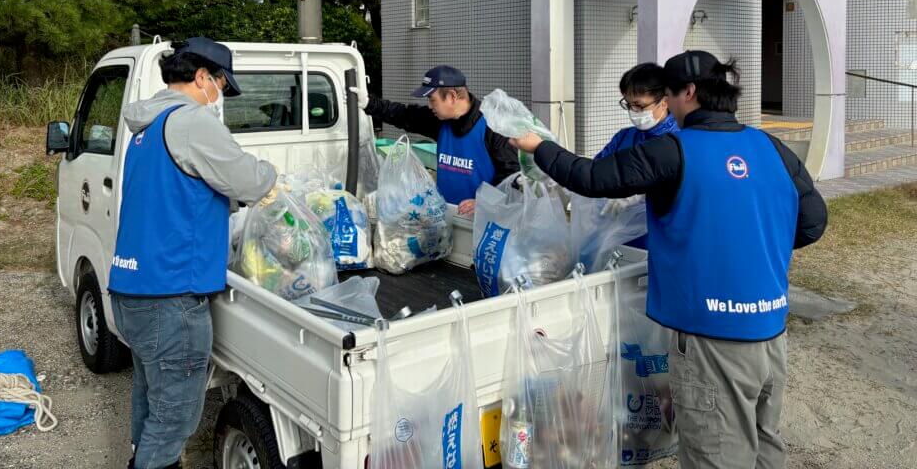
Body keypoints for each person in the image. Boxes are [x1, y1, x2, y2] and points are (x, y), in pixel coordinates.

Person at [512, 50, 827, 469]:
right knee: (763, 441)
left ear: (688, 93)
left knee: (717, 453)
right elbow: (812, 223)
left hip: (713, 338)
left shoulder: (675, 150)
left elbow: (592, 178)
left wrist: (540, 147)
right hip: (771, 333)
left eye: (669, 95)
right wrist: (753, 249)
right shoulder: (771, 147)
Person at [108, 38, 278, 469]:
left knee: (151, 402)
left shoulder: (147, 126)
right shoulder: (190, 123)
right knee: (175, 420)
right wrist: (274, 177)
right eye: (220, 83)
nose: (219, 95)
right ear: (202, 77)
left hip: (132, 289)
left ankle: (143, 459)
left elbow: (181, 194)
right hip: (170, 298)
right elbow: (248, 180)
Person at [354, 65, 519, 216]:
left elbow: (512, 176)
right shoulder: (441, 121)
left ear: (452, 96)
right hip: (447, 216)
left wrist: (484, 203)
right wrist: (369, 103)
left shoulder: (493, 126)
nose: (430, 106)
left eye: (433, 100)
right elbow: (403, 114)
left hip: (484, 219)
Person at [596, 62, 680, 250]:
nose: (633, 112)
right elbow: (595, 171)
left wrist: (639, 196)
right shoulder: (624, 137)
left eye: (639, 106)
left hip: (664, 244)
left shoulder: (681, 141)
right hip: (621, 241)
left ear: (664, 101)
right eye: (629, 105)